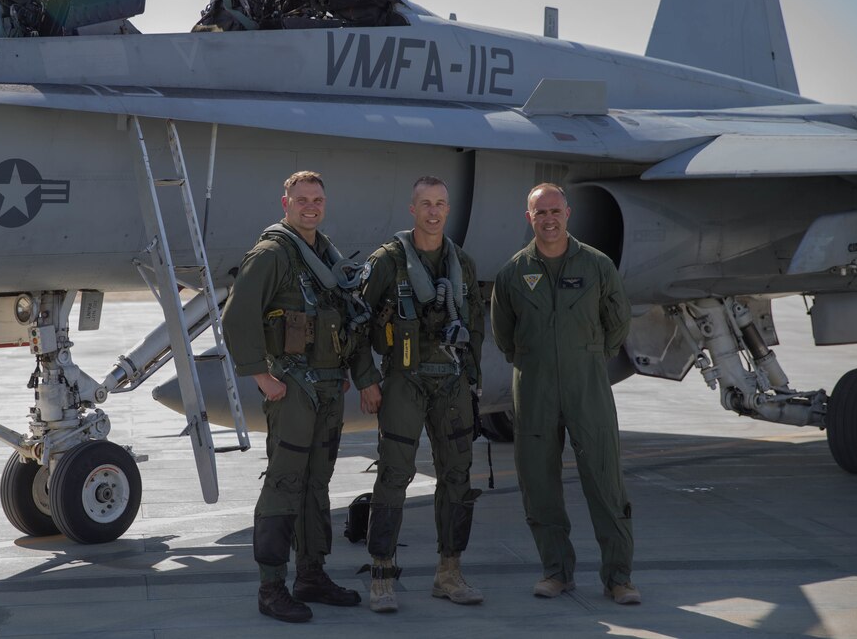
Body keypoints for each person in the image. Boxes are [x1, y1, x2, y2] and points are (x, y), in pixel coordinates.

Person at [222, 171, 367, 623]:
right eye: (302, 199)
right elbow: (236, 318)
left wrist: (346, 370)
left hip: (326, 386)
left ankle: (311, 575)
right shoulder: (272, 253)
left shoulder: (326, 252)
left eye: (317, 199)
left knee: (317, 485)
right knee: (285, 482)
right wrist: (261, 378)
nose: (310, 206)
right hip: (292, 387)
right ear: (285, 201)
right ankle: (271, 587)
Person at [489, 183, 640, 605]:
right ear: (529, 218)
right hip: (533, 387)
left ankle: (619, 578)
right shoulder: (514, 273)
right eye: (540, 213)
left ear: (568, 213)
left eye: (555, 211)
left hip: (587, 386)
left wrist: (590, 356)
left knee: (605, 481)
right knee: (539, 484)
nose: (549, 219)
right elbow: (504, 334)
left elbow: (618, 320)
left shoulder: (596, 266)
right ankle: (556, 572)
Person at [352, 176, 484, 613]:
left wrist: (472, 379)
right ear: (412, 209)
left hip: (450, 381)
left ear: (447, 210)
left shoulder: (461, 263)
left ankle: (449, 572)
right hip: (404, 380)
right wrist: (367, 379)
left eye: (440, 204)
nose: (433, 212)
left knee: (458, 476)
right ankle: (382, 575)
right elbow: (357, 319)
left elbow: (475, 325)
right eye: (425, 204)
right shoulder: (387, 261)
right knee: (394, 474)